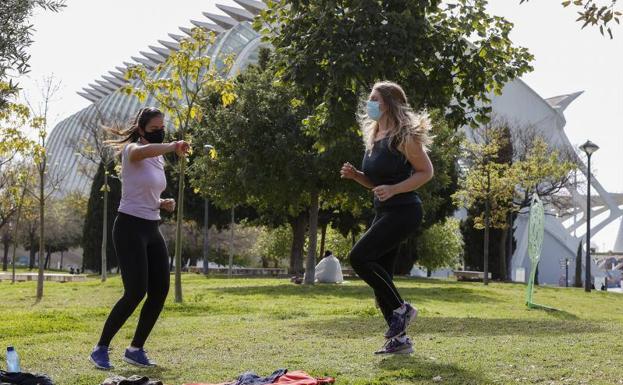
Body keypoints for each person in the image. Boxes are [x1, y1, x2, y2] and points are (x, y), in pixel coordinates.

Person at [89, 107, 190, 370]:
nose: (160, 132)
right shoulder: (132, 150)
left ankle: (136, 348)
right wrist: (172, 145)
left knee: (160, 290)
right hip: (128, 227)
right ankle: (100, 348)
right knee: (135, 291)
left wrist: (161, 203)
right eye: (155, 129)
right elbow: (143, 152)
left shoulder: (158, 159)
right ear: (142, 129)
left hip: (151, 227)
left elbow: (143, 191)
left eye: (162, 128)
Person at [340, 81, 434, 355]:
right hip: (384, 212)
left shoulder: (404, 135)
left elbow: (425, 172)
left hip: (405, 210)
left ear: (390, 103)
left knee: (359, 257)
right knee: (382, 279)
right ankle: (400, 342)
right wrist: (358, 176)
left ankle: (402, 310)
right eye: (370, 99)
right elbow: (377, 182)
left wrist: (394, 189)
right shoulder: (375, 134)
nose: (370, 104)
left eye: (375, 99)